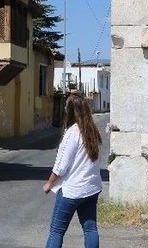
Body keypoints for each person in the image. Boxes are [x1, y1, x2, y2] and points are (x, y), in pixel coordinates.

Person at [43, 94, 103, 248]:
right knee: (90, 229)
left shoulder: (72, 133)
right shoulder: (92, 132)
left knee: (56, 231)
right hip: (91, 188)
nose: (63, 109)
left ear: (71, 111)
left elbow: (61, 165)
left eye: (65, 107)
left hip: (72, 190)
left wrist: (49, 183)